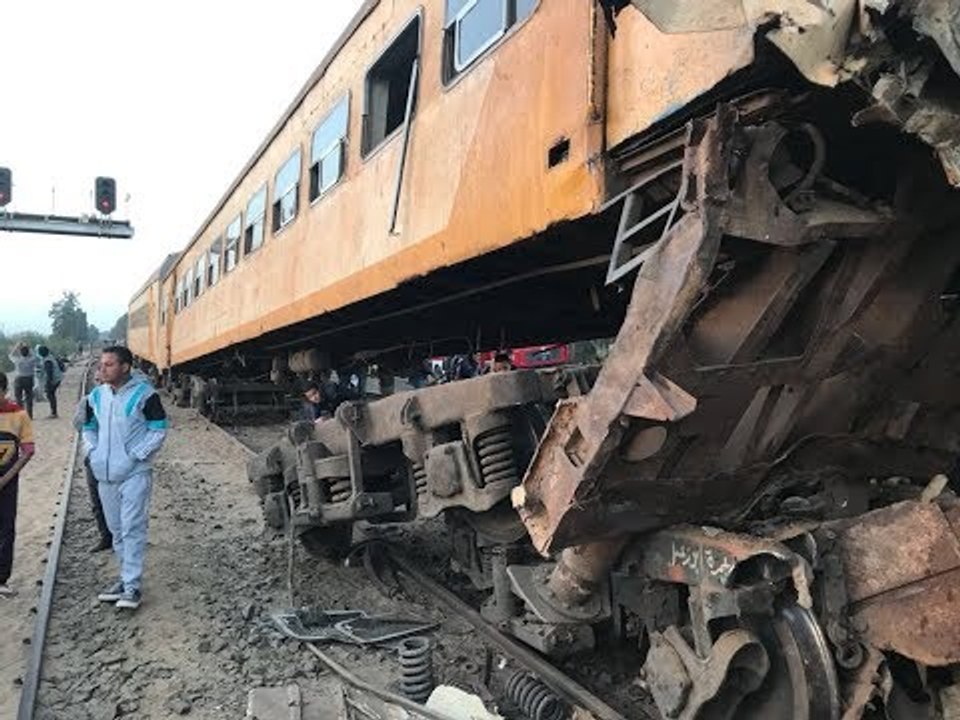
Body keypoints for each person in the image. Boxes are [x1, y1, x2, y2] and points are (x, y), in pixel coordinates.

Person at [81, 346, 167, 610]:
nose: (102, 369)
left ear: (125, 367)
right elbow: (88, 427)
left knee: (132, 528)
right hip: (105, 475)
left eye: (109, 364)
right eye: (101, 364)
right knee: (117, 530)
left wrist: (136, 456)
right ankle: (124, 578)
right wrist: (92, 452)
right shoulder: (96, 396)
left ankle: (132, 587)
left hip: (134, 474)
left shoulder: (145, 395)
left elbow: (158, 429)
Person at [0, 373, 35, 597]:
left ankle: (1, 578)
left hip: (8, 482)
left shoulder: (19, 415)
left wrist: (6, 479)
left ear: (4, 391)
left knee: (6, 528)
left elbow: (28, 451)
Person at [72, 377, 113, 553]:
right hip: (99, 457)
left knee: (99, 499)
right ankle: (111, 536)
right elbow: (80, 425)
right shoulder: (89, 401)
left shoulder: (89, 400)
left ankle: (108, 536)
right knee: (105, 498)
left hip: (103, 457)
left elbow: (77, 424)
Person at [8, 343, 37, 418]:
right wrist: (29, 347)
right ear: (28, 352)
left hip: (19, 378)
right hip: (29, 378)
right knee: (29, 397)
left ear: (20, 353)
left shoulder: (17, 360)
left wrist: (16, 346)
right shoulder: (31, 360)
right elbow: (35, 355)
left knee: (18, 397)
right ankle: (30, 415)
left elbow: (10, 355)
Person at [37, 346, 62, 418]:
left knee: (50, 395)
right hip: (57, 378)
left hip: (53, 380)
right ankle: (54, 412)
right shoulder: (49, 357)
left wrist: (48, 383)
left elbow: (49, 373)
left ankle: (54, 413)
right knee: (51, 395)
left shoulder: (47, 361)